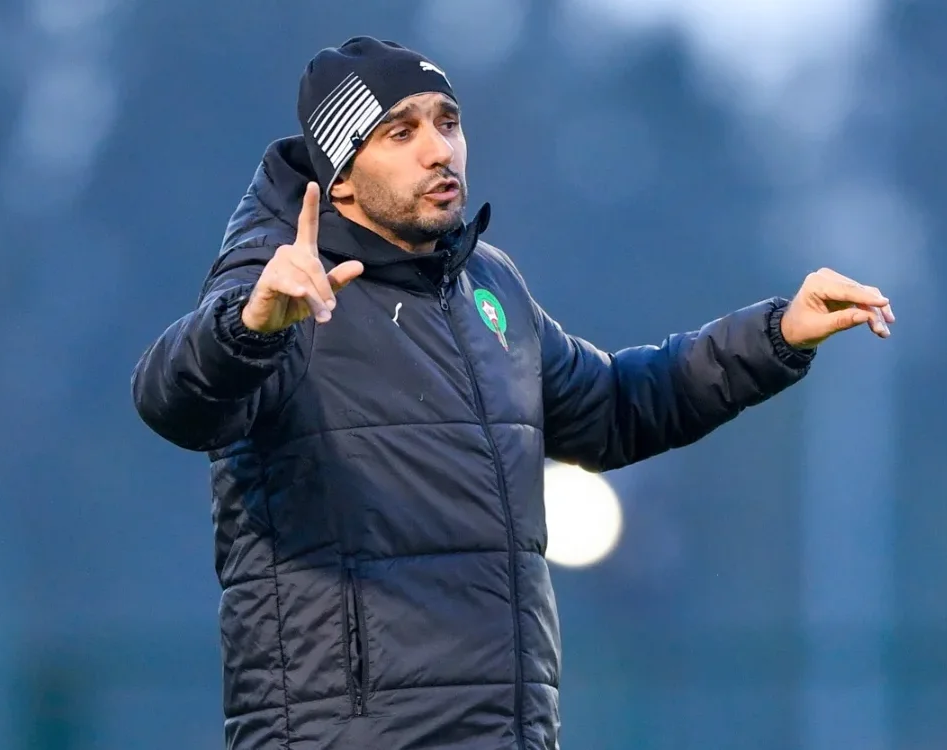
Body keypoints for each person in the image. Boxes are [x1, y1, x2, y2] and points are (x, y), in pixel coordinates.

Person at [131, 36, 895, 750]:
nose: (440, 149)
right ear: (342, 178)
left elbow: (615, 408)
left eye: (448, 121)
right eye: (400, 132)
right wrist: (249, 328)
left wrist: (776, 335)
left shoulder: (486, 284)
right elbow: (172, 399)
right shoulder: (284, 286)